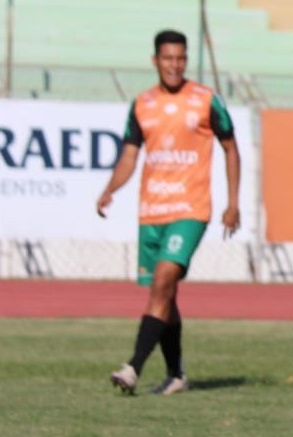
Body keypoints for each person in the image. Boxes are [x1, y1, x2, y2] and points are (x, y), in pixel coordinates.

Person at [96, 29, 241, 396]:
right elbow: (130, 154)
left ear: (186, 60)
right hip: (152, 211)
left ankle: (133, 368)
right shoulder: (142, 104)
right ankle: (176, 374)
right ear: (155, 60)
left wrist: (233, 202)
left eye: (180, 58)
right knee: (166, 296)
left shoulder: (207, 100)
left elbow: (230, 148)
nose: (174, 65)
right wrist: (111, 189)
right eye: (167, 58)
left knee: (162, 283)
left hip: (190, 209)